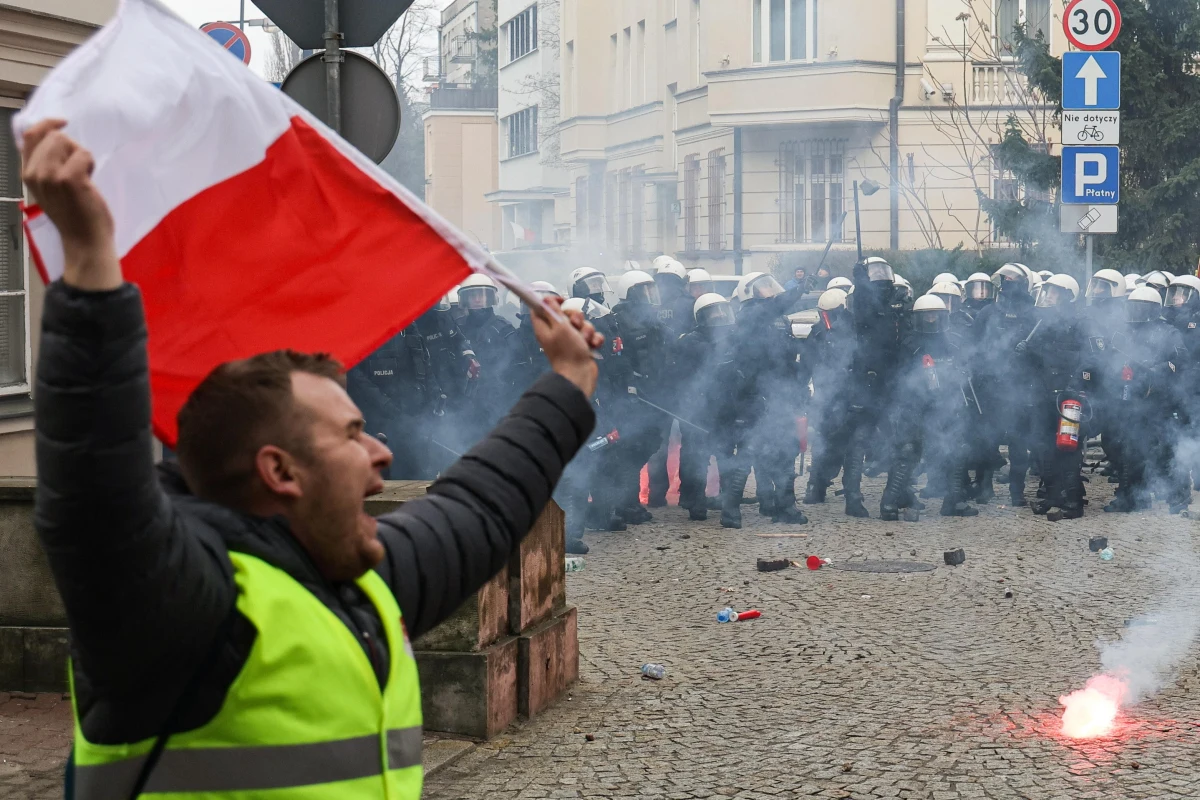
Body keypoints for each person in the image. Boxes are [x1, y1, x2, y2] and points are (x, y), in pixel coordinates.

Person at [21, 120, 603, 799]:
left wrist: (569, 380)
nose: (380, 449)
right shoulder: (183, 611)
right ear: (280, 471)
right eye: (352, 433)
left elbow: (479, 505)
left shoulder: (358, 589)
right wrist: (90, 263)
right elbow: (96, 499)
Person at [881, 295, 978, 519]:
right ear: (919, 317)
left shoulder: (952, 341)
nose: (932, 318)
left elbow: (964, 367)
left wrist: (961, 377)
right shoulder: (909, 343)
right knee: (907, 452)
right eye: (927, 315)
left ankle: (954, 500)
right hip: (915, 404)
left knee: (956, 449)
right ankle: (890, 502)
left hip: (945, 403)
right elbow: (899, 376)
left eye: (935, 314)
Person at [733, 272, 809, 525]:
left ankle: (778, 504)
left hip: (780, 393)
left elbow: (788, 356)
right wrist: (798, 290)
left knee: (784, 450)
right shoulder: (750, 314)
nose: (768, 291)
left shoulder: (778, 318)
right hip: (758, 395)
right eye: (762, 287)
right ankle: (746, 507)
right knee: (760, 450)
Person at [1104, 286, 1189, 513]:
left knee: (1166, 449)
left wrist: (1156, 370)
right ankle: (1131, 497)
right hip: (1131, 398)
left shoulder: (1168, 332)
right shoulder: (1125, 332)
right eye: (1134, 307)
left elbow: (1179, 359)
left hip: (1160, 400)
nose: (1137, 312)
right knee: (1128, 448)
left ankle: (1178, 498)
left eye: (1142, 307)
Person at [1017, 273, 1090, 519]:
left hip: (1068, 396)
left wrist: (1075, 384)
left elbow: (1085, 360)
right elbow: (1038, 362)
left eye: (1054, 291)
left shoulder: (1079, 323)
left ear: (1067, 295)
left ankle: (1073, 502)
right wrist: (1024, 351)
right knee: (1042, 447)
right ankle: (1052, 495)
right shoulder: (1042, 322)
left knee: (1067, 447)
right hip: (1042, 393)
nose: (1048, 296)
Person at [973, 264, 1038, 506]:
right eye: (1006, 278)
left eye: (1012, 279)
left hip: (1021, 389)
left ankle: (1017, 492)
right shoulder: (988, 314)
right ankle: (984, 486)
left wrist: (1030, 351)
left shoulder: (1033, 316)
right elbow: (973, 348)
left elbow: (1043, 354)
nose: (1008, 282)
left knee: (1019, 445)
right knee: (986, 441)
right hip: (990, 388)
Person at [609, 270, 670, 524]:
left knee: (649, 442)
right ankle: (627, 504)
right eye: (643, 291)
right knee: (631, 448)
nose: (649, 296)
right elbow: (619, 360)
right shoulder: (619, 321)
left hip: (654, 389)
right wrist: (630, 385)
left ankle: (629, 502)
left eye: (650, 290)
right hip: (633, 394)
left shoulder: (652, 319)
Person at [803, 289, 858, 505]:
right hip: (825, 395)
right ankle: (817, 486)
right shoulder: (817, 333)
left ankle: (852, 492)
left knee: (854, 444)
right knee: (823, 443)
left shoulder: (855, 329)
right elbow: (807, 362)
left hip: (851, 393)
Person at [457, 273, 526, 437]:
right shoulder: (458, 330)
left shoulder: (503, 328)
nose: (478, 299)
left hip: (500, 401)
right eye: (473, 295)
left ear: (490, 297)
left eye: (481, 294)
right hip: (467, 404)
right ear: (465, 298)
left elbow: (520, 367)